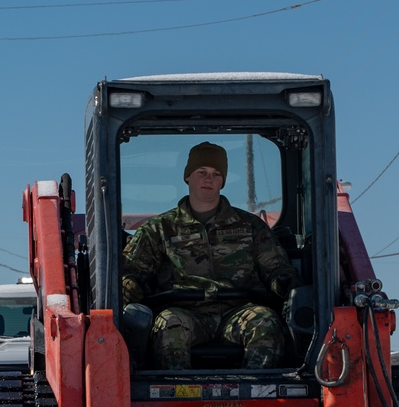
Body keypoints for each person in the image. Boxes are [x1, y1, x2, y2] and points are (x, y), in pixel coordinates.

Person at [121, 141, 297, 369]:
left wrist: (286, 285)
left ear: (223, 181)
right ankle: (176, 396)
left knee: (264, 322)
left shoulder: (250, 226)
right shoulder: (159, 229)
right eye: (201, 172)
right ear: (187, 177)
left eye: (216, 174)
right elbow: (133, 273)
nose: (208, 179)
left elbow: (276, 269)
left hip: (238, 311)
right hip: (185, 312)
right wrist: (127, 293)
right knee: (169, 324)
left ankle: (257, 392)